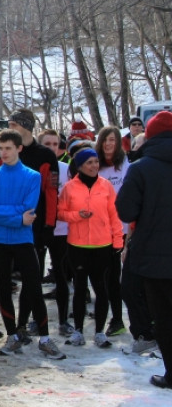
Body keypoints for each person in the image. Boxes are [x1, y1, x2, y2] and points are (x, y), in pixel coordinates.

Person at [0, 129, 65, 359]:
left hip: (23, 240)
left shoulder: (32, 176)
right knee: (3, 289)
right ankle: (12, 336)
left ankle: (45, 338)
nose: (4, 152)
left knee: (34, 287)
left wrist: (1, 213)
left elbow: (28, 208)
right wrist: (17, 217)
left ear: (19, 148)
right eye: (0, 148)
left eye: (8, 148)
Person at [116, 111, 172, 388]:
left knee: (163, 315)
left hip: (153, 257)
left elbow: (125, 210)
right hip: (155, 254)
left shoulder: (141, 168)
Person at [58, 148, 123, 348]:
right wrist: (77, 215)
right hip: (77, 245)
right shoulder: (70, 187)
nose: (94, 166)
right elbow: (61, 213)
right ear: (80, 166)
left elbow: (114, 214)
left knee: (100, 288)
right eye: (89, 163)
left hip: (102, 244)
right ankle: (78, 331)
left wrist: (118, 242)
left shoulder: (105, 186)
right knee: (79, 288)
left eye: (96, 162)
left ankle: (99, 332)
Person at [96, 124, 132, 336]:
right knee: (110, 276)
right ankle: (116, 319)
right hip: (101, 229)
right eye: (105, 140)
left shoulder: (127, 165)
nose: (109, 144)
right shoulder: (95, 165)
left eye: (113, 140)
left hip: (124, 228)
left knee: (128, 275)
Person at [39, 129, 74, 336]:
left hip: (61, 230)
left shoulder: (67, 170)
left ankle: (63, 320)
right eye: (47, 144)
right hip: (38, 228)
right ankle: (37, 320)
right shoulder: (34, 168)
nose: (52, 148)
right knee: (35, 276)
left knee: (61, 276)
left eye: (55, 144)